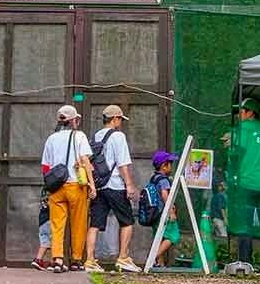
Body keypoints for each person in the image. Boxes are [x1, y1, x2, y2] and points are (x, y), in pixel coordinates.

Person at [223, 99, 260, 273]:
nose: (239, 115)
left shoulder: (241, 130)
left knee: (245, 223)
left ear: (250, 112)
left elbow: (234, 154)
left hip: (246, 184)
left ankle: (245, 263)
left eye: (241, 111)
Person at [84, 104, 141, 273]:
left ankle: (89, 261)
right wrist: (129, 185)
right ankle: (123, 257)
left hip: (100, 186)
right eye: (120, 119)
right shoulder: (118, 136)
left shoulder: (95, 137)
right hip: (115, 185)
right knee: (127, 221)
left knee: (94, 224)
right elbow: (122, 163)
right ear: (115, 119)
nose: (121, 123)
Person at [39, 104, 93, 272]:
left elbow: (45, 167)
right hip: (76, 185)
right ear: (73, 121)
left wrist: (49, 185)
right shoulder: (79, 136)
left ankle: (58, 260)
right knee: (78, 223)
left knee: (57, 225)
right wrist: (92, 184)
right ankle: (76, 260)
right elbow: (85, 160)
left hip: (56, 188)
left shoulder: (51, 139)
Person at [141, 149, 180, 268]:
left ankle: (160, 263)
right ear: (164, 166)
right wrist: (171, 211)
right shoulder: (164, 180)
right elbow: (165, 195)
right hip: (163, 213)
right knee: (173, 236)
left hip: (155, 214)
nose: (171, 167)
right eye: (170, 164)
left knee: (159, 237)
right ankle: (152, 258)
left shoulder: (154, 178)